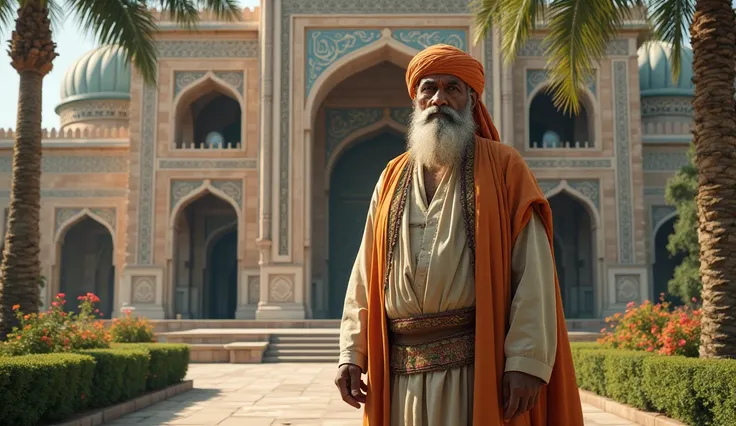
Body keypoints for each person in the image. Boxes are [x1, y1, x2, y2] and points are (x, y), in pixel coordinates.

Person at [334, 44, 584, 426]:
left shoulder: (503, 166)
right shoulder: (392, 175)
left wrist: (525, 360)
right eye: (429, 88)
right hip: (400, 377)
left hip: (477, 370)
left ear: (472, 99)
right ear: (415, 100)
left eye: (453, 88)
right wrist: (352, 352)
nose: (439, 99)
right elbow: (365, 273)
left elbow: (532, 271)